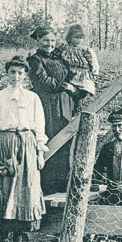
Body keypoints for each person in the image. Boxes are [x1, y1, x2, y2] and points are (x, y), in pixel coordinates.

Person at [0, 56, 47, 242]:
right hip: (6, 144)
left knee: (26, 191)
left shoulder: (33, 98)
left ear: (25, 75)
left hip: (27, 144)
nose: (16, 76)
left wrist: (40, 153)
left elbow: (39, 127)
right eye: (12, 72)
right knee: (5, 191)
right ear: (7, 74)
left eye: (20, 73)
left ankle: (20, 241)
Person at [26, 26, 75, 194]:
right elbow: (41, 81)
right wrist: (63, 85)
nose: (49, 44)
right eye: (46, 40)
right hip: (47, 104)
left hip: (66, 103)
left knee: (66, 140)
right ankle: (46, 185)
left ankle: (62, 183)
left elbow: (71, 77)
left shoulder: (60, 59)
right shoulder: (35, 60)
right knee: (50, 138)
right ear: (38, 41)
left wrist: (74, 89)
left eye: (52, 41)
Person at [92, 110, 122, 206]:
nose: (116, 130)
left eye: (120, 125)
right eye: (114, 126)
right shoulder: (108, 148)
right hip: (113, 194)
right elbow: (98, 170)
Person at [56, 24, 100, 102]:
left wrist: (94, 73)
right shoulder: (64, 48)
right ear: (69, 38)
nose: (78, 40)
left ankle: (80, 96)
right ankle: (73, 96)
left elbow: (93, 62)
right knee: (66, 90)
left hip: (82, 74)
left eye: (81, 38)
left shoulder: (85, 50)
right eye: (76, 37)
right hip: (69, 73)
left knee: (83, 89)